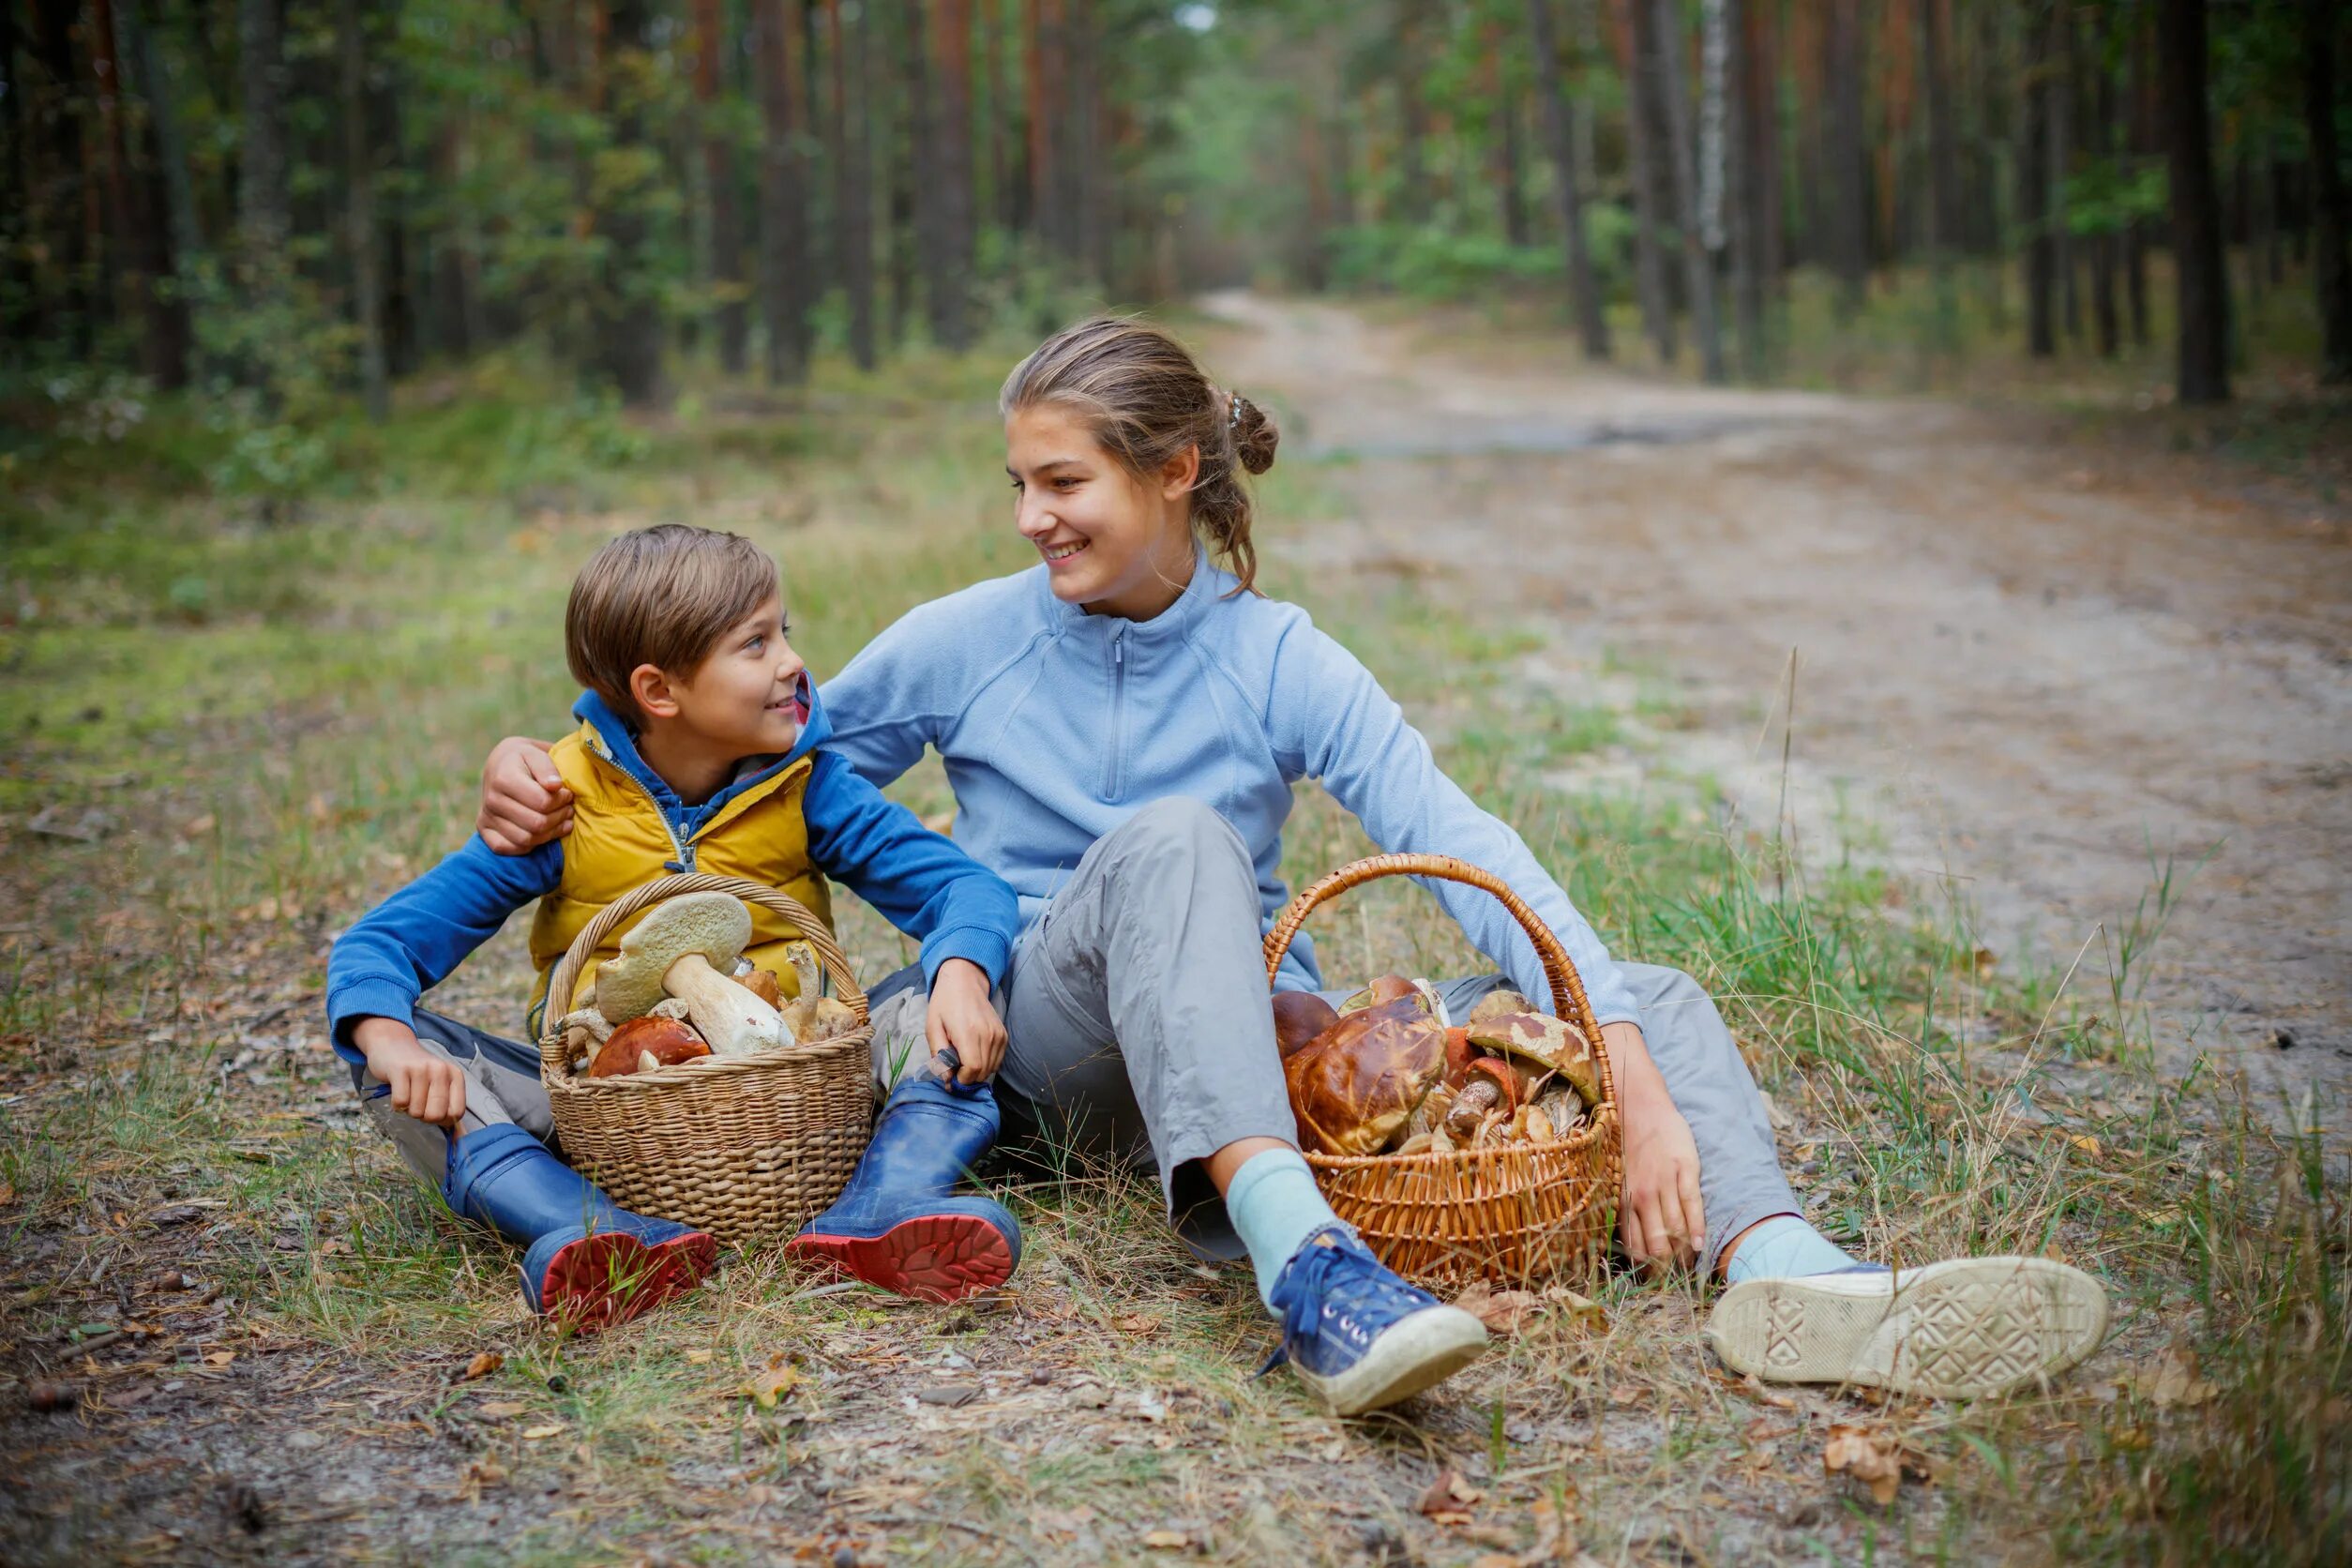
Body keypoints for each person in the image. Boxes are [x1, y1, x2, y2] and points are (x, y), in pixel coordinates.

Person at [475, 319, 2107, 1407]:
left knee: (1642, 991)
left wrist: (1618, 1055)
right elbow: (720, 759)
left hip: (1238, 1040)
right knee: (1173, 842)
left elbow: (1460, 837)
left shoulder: (1277, 657)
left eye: (1066, 482)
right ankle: (1308, 1275)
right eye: (1020, 485)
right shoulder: (959, 641)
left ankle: (1788, 1273)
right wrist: (549, 773)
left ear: (1173, 471)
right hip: (1039, 1051)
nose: (1033, 519)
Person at [325, 524, 1024, 1329]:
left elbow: (965, 891)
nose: (793, 662)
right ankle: (591, 1227)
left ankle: (886, 1203)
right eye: (754, 644)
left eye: (783, 633)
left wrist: (964, 975)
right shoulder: (561, 803)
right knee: (397, 1057)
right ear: (660, 692)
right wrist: (391, 1040)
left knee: (928, 1004)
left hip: (799, 1096)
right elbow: (380, 945)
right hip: (602, 1119)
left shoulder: (809, 787)